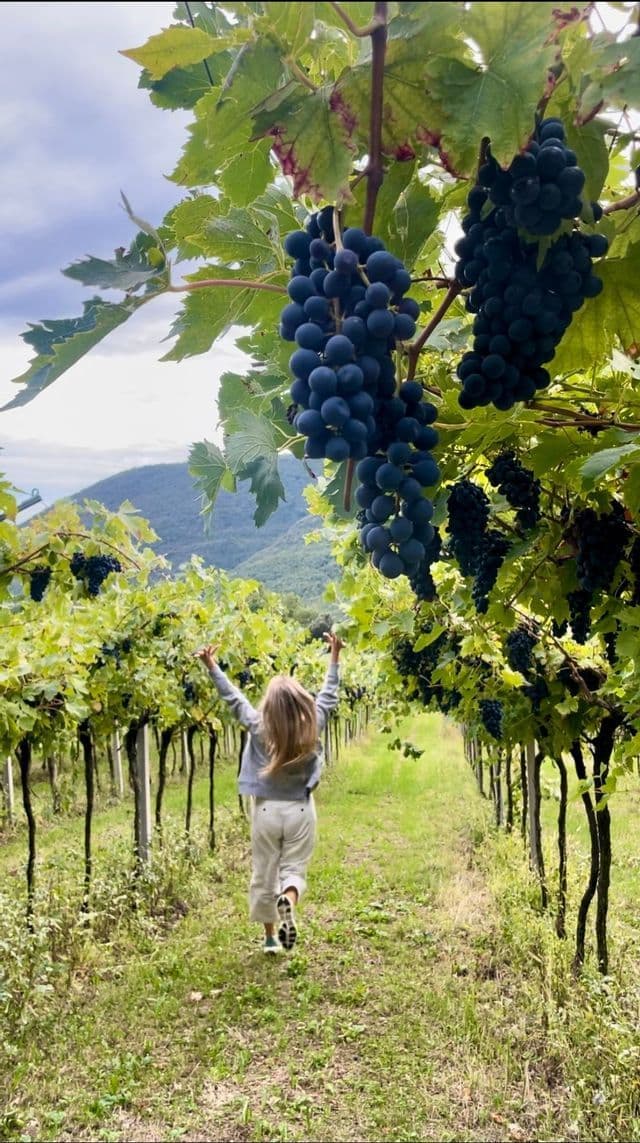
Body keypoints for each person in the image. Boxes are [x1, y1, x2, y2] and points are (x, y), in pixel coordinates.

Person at [196, 632, 344, 953]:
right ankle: (288, 898)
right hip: (301, 811)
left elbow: (233, 699)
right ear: (299, 701)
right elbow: (329, 696)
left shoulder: (259, 725)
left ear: (270, 705)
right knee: (294, 870)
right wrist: (334, 656)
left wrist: (211, 665)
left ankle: (270, 939)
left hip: (265, 811)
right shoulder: (312, 725)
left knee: (265, 872)